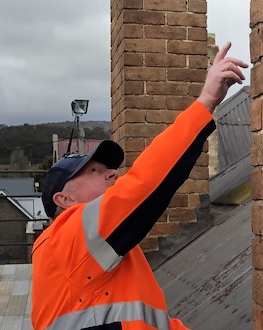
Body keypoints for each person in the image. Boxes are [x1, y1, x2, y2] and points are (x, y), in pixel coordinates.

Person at [31, 42, 248, 330]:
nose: (112, 175)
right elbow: (146, 181)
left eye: (109, 169)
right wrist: (206, 101)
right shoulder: (66, 239)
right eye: (95, 171)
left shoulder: (105, 253)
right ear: (64, 199)